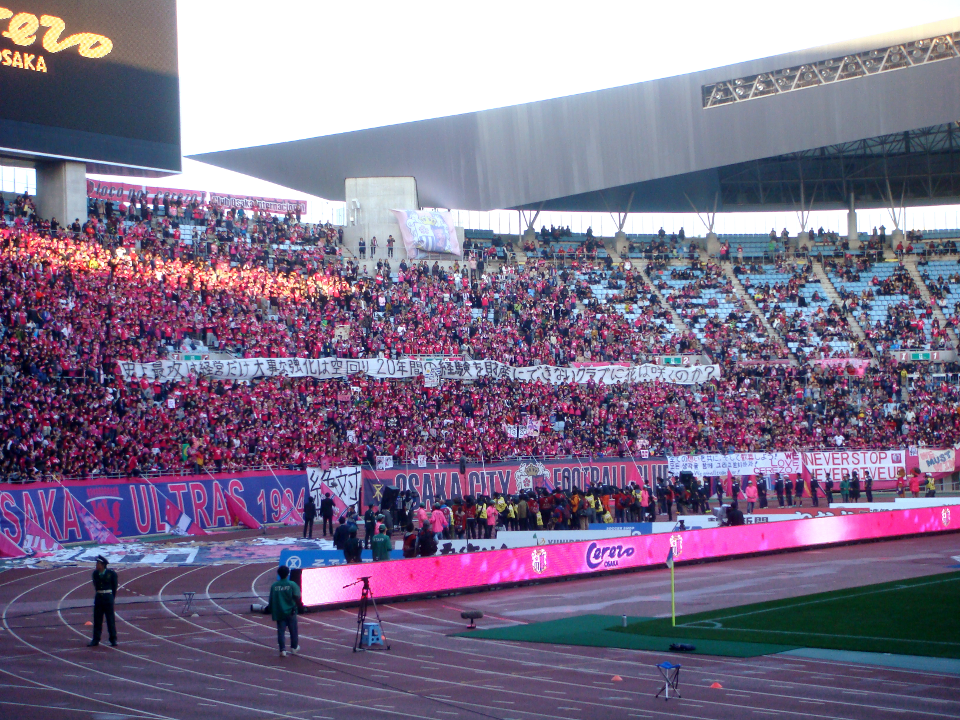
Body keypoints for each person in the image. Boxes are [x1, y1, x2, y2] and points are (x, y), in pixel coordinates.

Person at [270, 565, 301, 657]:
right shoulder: (292, 584)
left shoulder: (274, 586)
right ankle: (294, 647)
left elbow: (271, 599)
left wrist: (272, 610)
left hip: (279, 611)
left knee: (281, 631)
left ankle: (282, 649)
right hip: (291, 611)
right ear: (288, 574)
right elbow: (297, 596)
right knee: (293, 630)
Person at [88, 555, 118, 647]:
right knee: (97, 620)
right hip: (99, 598)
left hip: (108, 598)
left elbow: (114, 587)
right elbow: (96, 585)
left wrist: (111, 598)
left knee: (110, 620)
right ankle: (96, 639)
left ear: (103, 565)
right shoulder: (95, 574)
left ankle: (113, 639)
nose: (96, 565)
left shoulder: (111, 574)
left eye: (98, 563)